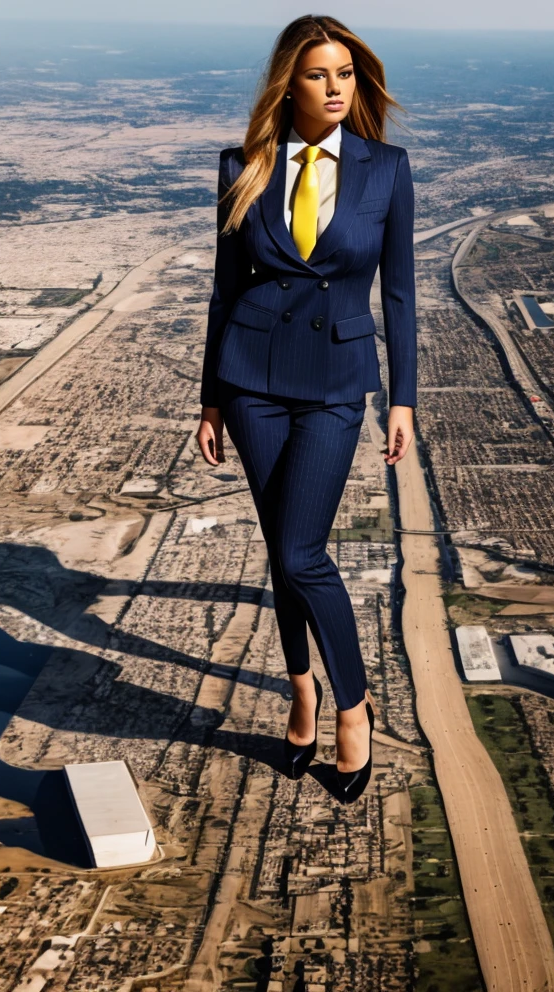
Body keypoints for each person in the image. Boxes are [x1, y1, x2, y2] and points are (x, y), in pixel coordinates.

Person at [196, 14, 417, 803]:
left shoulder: (385, 168)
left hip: (334, 385)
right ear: (289, 81)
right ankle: (302, 692)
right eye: (320, 74)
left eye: (347, 75)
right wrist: (211, 397)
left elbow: (399, 294)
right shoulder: (242, 164)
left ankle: (351, 707)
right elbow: (226, 288)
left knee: (299, 554)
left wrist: (403, 400)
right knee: (279, 546)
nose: (336, 89)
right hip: (250, 377)